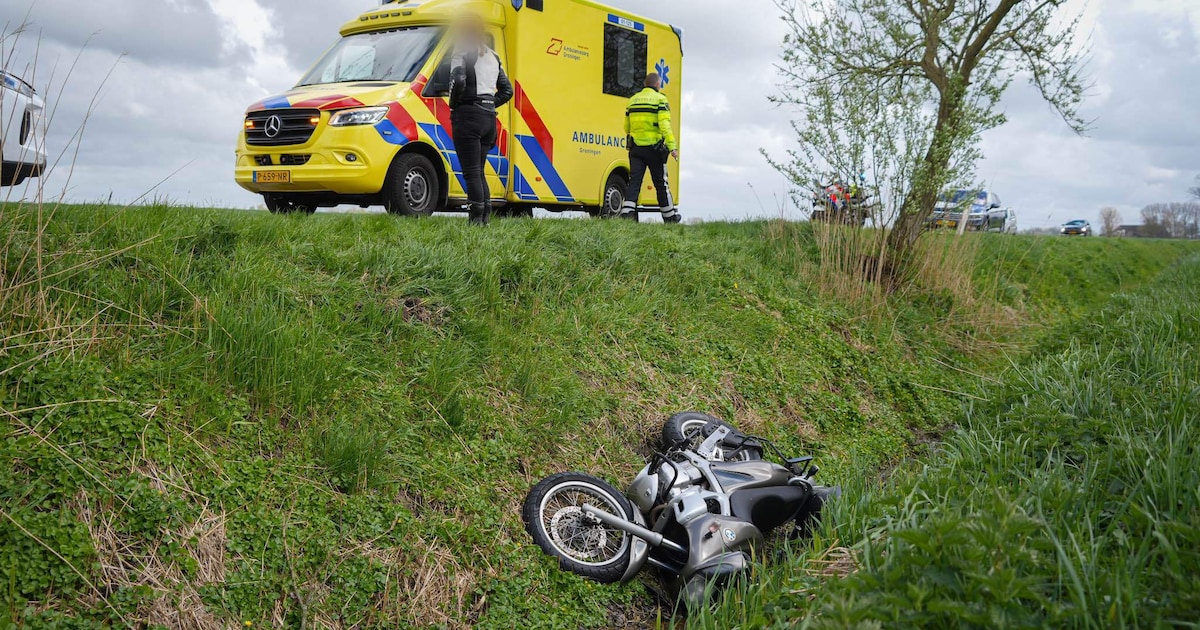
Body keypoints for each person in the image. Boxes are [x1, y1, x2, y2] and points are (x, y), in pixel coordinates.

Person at [449, 13, 513, 225]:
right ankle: (484, 219)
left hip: (468, 115)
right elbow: (507, 91)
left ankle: (475, 221)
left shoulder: (461, 48)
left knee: (471, 172)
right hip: (488, 119)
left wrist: (454, 104)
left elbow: (458, 80)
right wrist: (487, 105)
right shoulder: (494, 55)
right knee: (479, 170)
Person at [621, 72, 680, 224]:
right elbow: (665, 125)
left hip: (636, 148)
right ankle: (669, 217)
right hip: (654, 149)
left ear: (645, 84)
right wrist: (672, 147)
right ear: (658, 84)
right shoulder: (660, 100)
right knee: (661, 183)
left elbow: (626, 126)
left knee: (634, 181)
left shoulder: (632, 100)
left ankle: (626, 215)